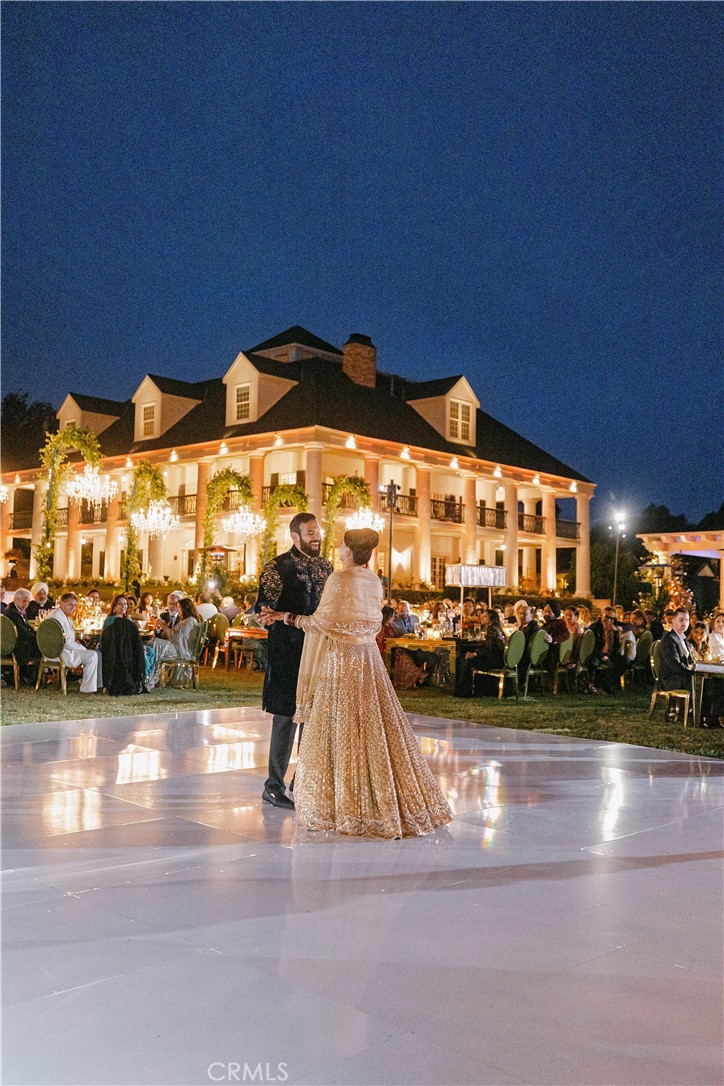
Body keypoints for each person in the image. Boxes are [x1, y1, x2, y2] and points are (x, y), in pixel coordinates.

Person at [262, 528, 453, 839]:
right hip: (368, 660)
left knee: (337, 729)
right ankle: (380, 795)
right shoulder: (372, 579)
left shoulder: (341, 578)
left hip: (341, 661)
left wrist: (284, 617)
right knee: (374, 727)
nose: (337, 546)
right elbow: (370, 622)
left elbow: (321, 622)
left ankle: (342, 802)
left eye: (341, 543)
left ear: (349, 550)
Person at [256, 512, 333, 808]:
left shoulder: (327, 568)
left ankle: (302, 783)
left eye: (318, 531)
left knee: (313, 719)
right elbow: (264, 612)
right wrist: (275, 617)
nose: (316, 537)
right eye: (310, 532)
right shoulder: (277, 568)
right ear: (295, 536)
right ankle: (273, 786)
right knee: (286, 718)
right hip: (287, 654)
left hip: (319, 653)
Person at [48, 592, 102, 694]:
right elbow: (65, 642)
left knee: (92, 654)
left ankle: (89, 686)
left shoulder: (64, 616)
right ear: (62, 604)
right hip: (57, 652)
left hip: (62, 650)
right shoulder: (57, 617)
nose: (73, 608)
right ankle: (87, 689)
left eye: (75, 605)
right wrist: (83, 649)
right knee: (92, 655)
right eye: (70, 605)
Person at [100, 594, 146, 695]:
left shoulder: (128, 620)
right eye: (120, 604)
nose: (123, 606)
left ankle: (145, 680)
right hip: (116, 650)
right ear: (114, 606)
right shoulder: (110, 621)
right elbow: (107, 640)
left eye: (125, 604)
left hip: (129, 647)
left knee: (149, 651)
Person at [456, 609, 506, 697]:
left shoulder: (492, 629)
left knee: (466, 660)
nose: (482, 617)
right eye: (482, 616)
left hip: (494, 661)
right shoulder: (496, 628)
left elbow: (488, 648)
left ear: (492, 619)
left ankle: (465, 690)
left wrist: (475, 654)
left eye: (485, 616)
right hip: (498, 659)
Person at [3, 587, 39, 685]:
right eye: (24, 601)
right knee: (40, 647)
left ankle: (32, 675)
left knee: (40, 643)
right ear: (16, 600)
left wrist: (38, 635)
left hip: (19, 641)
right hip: (14, 646)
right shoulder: (12, 613)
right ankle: (32, 677)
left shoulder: (18, 609)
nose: (26, 604)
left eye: (28, 601)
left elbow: (27, 627)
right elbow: (22, 632)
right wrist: (37, 638)